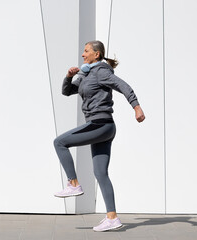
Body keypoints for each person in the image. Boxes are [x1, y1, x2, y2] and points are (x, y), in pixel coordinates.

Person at [53, 40, 145, 232]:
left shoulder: (101, 72)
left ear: (97, 54)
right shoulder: (86, 75)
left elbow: (123, 86)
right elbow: (67, 91)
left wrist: (136, 107)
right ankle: (112, 217)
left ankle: (73, 183)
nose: (82, 54)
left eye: (86, 51)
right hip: (103, 127)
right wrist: (69, 77)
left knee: (60, 142)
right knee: (100, 173)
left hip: (100, 124)